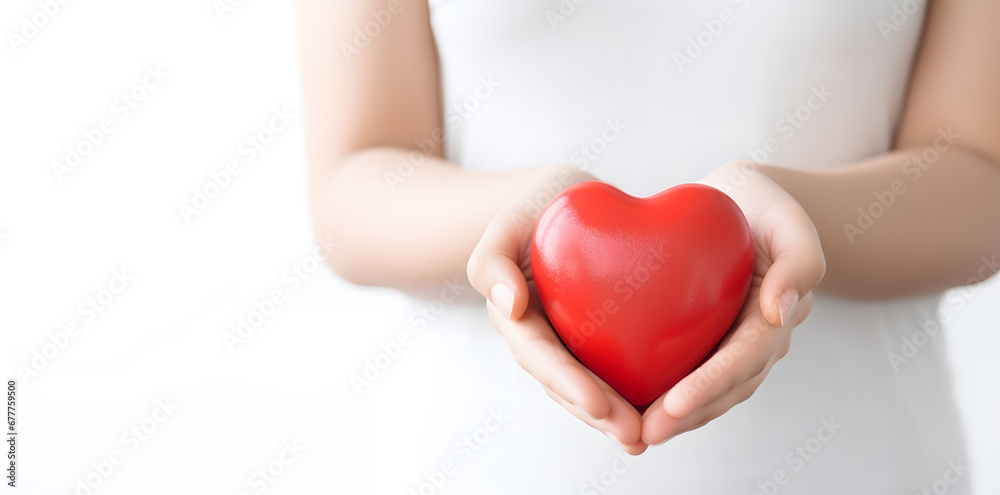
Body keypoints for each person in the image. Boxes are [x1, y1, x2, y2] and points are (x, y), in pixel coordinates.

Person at [295, 0, 1000, 492]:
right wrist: (533, 227)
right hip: (478, 469)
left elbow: (981, 181)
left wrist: (783, 222)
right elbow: (351, 185)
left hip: (863, 470)